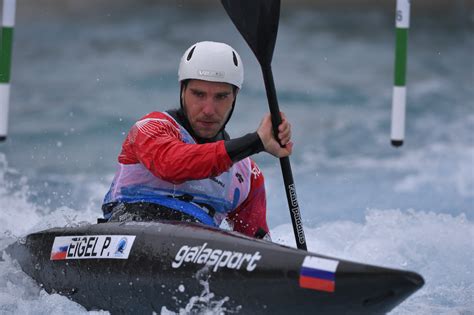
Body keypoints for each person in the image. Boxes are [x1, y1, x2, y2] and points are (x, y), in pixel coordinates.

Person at [102, 41, 292, 240]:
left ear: (235, 96)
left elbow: (257, 247)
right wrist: (255, 142)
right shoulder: (151, 127)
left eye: (221, 96)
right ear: (182, 90)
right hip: (125, 232)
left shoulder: (246, 175)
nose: (209, 110)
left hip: (196, 250)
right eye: (199, 94)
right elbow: (173, 165)